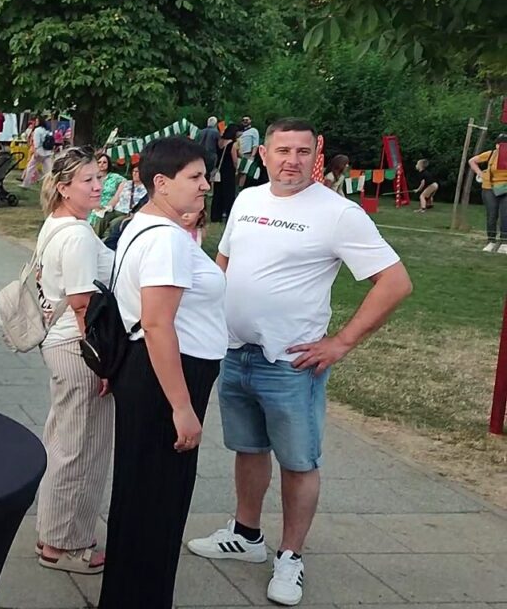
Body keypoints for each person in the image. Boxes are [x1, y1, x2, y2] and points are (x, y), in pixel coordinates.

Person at [188, 118, 411, 607]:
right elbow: (225, 263)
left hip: (291, 364)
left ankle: (290, 556)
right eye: (283, 150)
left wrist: (341, 342)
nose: (292, 160)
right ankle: (246, 534)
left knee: (298, 460)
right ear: (263, 153)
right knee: (248, 449)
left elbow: (395, 282)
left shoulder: (338, 213)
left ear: (317, 153)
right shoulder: (248, 200)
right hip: (235, 351)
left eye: (302, 151)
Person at [99, 136, 226, 609]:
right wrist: (182, 406)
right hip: (167, 377)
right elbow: (156, 324)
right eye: (195, 177)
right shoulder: (168, 240)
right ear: (161, 182)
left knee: (140, 496)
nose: (205, 185)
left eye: (205, 176)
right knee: (157, 503)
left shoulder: (142, 225)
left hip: (150, 370)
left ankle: (126, 595)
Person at [32, 149, 115, 576]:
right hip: (77, 348)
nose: (97, 186)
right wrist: (101, 361)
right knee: (82, 448)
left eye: (98, 178)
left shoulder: (57, 224)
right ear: (64, 188)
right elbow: (84, 304)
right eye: (87, 180)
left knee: (65, 442)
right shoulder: (78, 235)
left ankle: (52, 531)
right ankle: (64, 545)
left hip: (58, 342)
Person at [468, 135, 507, 253]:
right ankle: (491, 241)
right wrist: (480, 173)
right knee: (491, 215)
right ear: (497, 145)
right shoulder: (491, 154)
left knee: (505, 215)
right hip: (489, 188)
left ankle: (504, 243)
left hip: (505, 189)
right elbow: (472, 161)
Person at [210, 124, 240, 222]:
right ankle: (228, 214)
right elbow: (234, 159)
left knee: (217, 192)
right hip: (228, 170)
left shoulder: (220, 141)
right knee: (229, 193)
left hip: (219, 169)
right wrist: (237, 169)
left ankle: (215, 215)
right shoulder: (233, 144)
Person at [89, 153, 125, 226]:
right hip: (91, 207)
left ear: (108, 164)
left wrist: (116, 197)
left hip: (107, 208)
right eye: (99, 162)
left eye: (104, 162)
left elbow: (126, 183)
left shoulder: (115, 177)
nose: (101, 164)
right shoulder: (90, 178)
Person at [20, 117, 53, 188]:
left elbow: (36, 142)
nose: (36, 122)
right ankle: (50, 184)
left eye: (37, 121)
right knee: (49, 170)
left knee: (30, 167)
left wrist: (35, 151)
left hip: (39, 152)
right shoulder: (47, 130)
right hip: (47, 152)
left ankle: (25, 184)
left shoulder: (37, 130)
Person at [199, 116, 221, 181]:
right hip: (211, 154)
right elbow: (219, 145)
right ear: (216, 124)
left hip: (201, 154)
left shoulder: (201, 131)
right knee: (210, 172)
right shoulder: (216, 132)